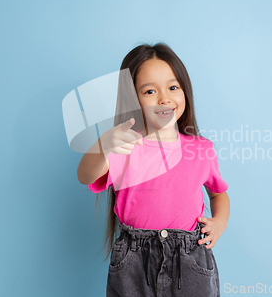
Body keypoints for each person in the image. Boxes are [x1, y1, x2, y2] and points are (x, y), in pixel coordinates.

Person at [77, 42, 230, 297]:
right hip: (134, 261)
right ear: (132, 98)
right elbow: (85, 175)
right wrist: (104, 143)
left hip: (190, 259)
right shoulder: (124, 145)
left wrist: (219, 222)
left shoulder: (201, 149)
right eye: (149, 91)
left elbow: (218, 192)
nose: (164, 98)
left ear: (184, 92)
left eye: (173, 87)